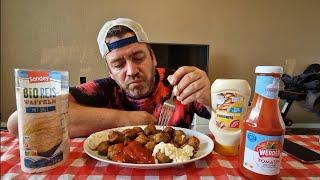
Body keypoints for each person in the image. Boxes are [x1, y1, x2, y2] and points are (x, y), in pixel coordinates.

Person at [7, 18, 212, 138]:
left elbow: (240, 125)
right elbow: (18, 122)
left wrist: (212, 97)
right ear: (110, 72)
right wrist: (128, 120)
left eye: (138, 57)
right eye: (118, 64)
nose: (131, 70)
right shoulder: (103, 90)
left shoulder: (180, 83)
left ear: (153, 57)